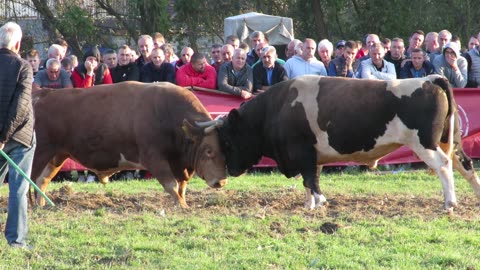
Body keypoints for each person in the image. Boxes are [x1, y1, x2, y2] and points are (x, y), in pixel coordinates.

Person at [0, 21, 36, 249]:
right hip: (19, 138)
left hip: (4, 138)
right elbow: (21, 107)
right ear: (18, 43)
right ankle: (16, 240)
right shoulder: (23, 66)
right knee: (18, 189)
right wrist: (4, 137)